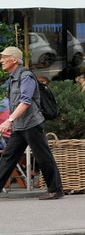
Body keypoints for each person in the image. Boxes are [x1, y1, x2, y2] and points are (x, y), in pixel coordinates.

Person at [0, 46, 63, 199]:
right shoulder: (12, 78)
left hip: (32, 124)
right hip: (20, 125)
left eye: (4, 57)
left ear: (14, 59)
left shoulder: (25, 76)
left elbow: (25, 102)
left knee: (43, 156)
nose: (1, 61)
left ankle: (56, 189)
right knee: (8, 157)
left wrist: (9, 120)